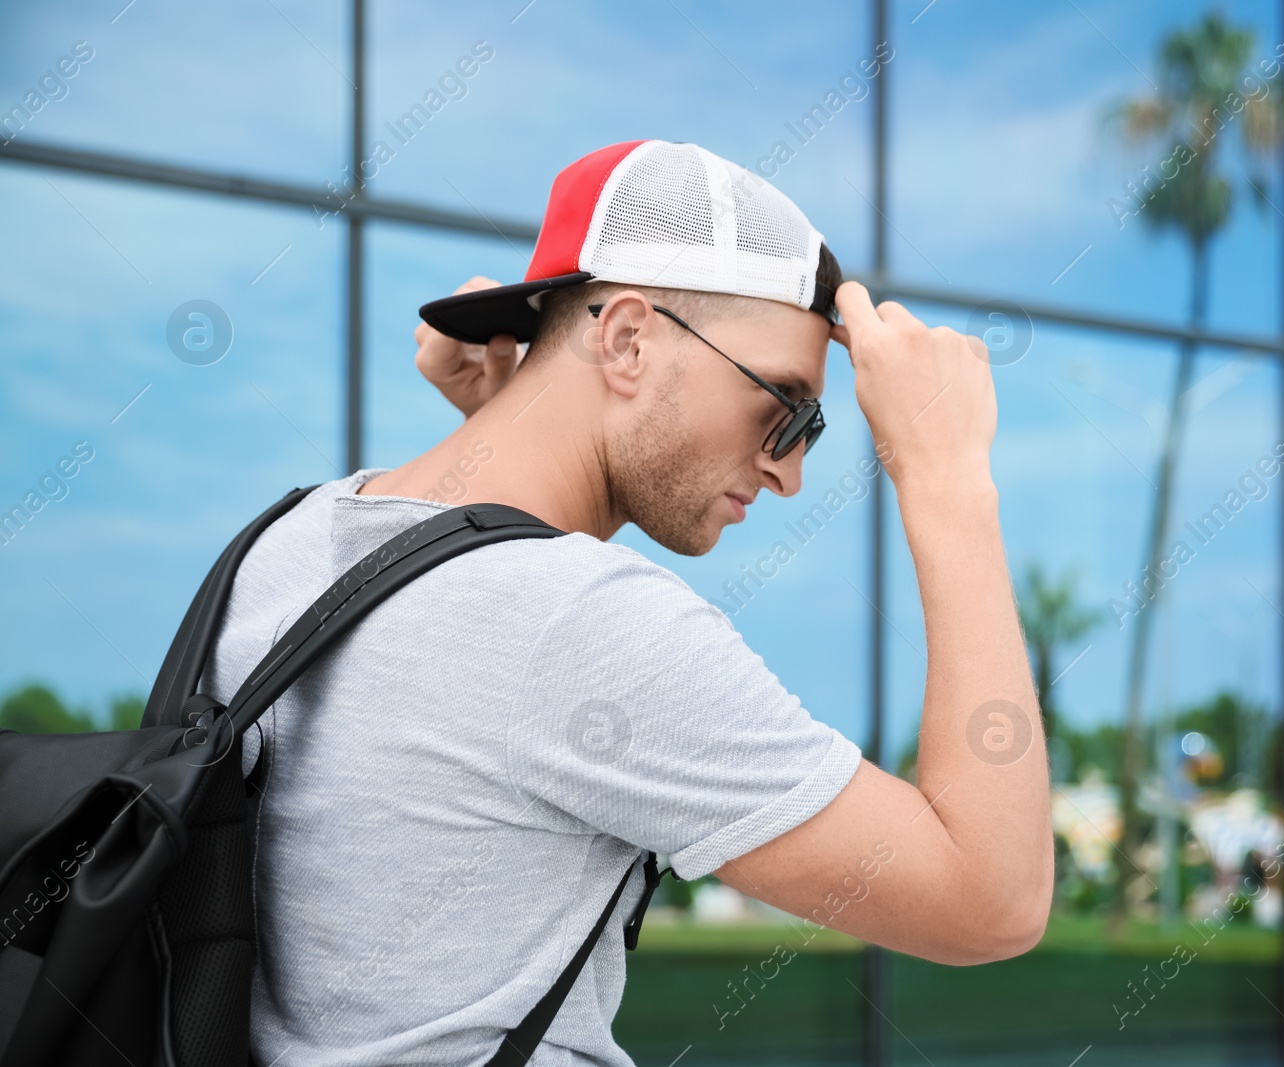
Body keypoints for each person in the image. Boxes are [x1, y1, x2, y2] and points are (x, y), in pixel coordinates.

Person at [203, 139, 1052, 1066]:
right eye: (786, 406)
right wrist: (946, 475)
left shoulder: (280, 543)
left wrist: (517, 430)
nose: (791, 471)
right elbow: (992, 901)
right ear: (627, 339)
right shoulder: (587, 624)